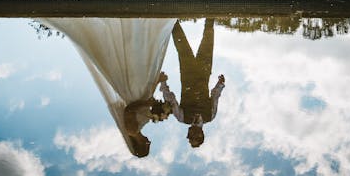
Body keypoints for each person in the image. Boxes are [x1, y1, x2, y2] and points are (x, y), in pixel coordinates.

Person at [37, 17, 176, 157]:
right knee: (141, 58)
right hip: (141, 90)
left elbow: (129, 110)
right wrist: (157, 84)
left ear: (140, 145)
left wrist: (148, 103)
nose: (149, 142)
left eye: (147, 146)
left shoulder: (132, 130)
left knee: (133, 59)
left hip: (133, 91)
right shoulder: (140, 127)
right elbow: (145, 103)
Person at [159, 19, 225, 148]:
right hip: (204, 73)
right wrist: (220, 84)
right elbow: (215, 97)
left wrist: (163, 83)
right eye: (192, 137)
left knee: (181, 44)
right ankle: (210, 12)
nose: (188, 135)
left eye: (189, 137)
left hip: (187, 74)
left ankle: (171, 18)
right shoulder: (210, 116)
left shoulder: (182, 118)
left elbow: (171, 100)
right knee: (208, 42)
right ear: (200, 134)